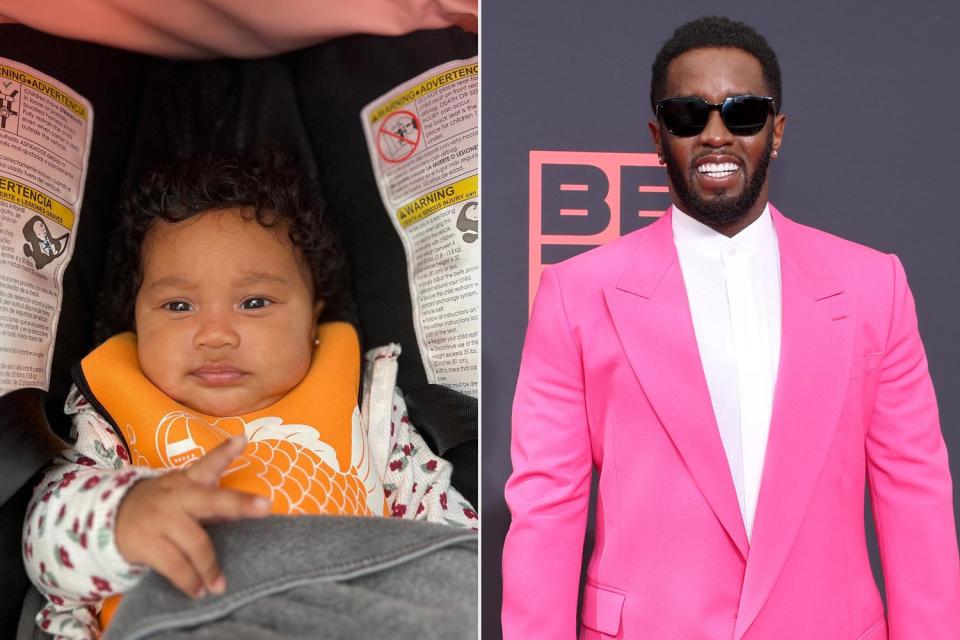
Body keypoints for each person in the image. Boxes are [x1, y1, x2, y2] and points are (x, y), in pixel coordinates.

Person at [501, 16, 959, 640]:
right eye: (689, 116)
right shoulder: (575, 294)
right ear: (658, 138)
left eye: (744, 113)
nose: (717, 135)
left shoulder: (873, 286)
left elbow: (916, 499)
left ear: (775, 133)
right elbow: (546, 512)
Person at [22, 151, 477, 640]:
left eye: (254, 302)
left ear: (312, 317)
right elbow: (45, 542)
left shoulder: (367, 410)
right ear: (136, 319)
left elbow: (443, 535)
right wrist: (124, 519)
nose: (215, 334)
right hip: (194, 615)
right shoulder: (111, 420)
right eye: (178, 305)